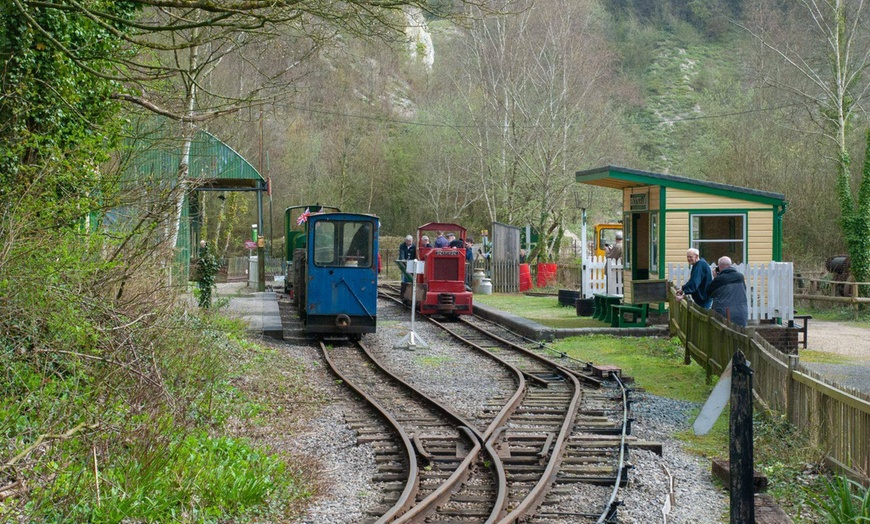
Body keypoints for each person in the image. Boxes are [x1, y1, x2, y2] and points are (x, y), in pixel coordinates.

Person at [706, 256, 748, 326]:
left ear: (719, 267)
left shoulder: (719, 279)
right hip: (741, 312)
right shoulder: (740, 277)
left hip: (724, 314)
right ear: (730, 265)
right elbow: (744, 290)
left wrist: (715, 278)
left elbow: (708, 293)